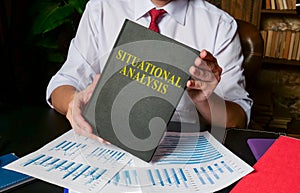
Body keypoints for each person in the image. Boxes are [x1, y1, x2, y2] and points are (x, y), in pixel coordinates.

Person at [46, 0, 253, 142]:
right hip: (106, 143)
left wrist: (204, 99)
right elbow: (62, 84)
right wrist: (73, 102)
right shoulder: (100, 8)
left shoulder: (219, 25)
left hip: (182, 149)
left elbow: (237, 119)